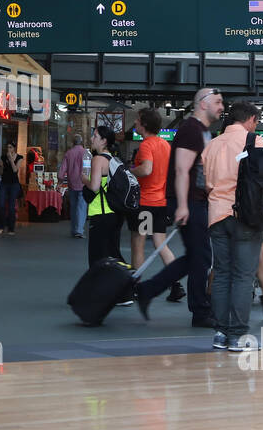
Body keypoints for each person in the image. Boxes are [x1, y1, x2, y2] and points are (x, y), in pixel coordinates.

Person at [132, 87, 225, 327]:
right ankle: (200, 312)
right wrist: (183, 205)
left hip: (194, 200)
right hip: (187, 201)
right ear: (203, 103)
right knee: (201, 256)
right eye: (217, 102)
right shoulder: (191, 129)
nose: (221, 106)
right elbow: (182, 169)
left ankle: (148, 291)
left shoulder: (203, 131)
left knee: (196, 257)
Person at [197, 102, 263, 347]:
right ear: (252, 119)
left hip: (216, 217)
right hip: (246, 217)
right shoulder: (254, 141)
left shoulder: (211, 145)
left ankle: (221, 333)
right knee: (244, 276)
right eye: (256, 121)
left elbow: (205, 184)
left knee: (222, 274)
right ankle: (237, 335)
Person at [129, 108, 184, 303]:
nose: (135, 123)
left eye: (137, 120)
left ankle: (135, 286)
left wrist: (128, 172)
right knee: (161, 244)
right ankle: (176, 284)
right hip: (161, 202)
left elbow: (146, 169)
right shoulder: (165, 145)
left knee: (138, 243)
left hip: (146, 203)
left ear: (144, 123)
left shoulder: (146, 145)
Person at [85, 125, 125, 268]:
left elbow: (95, 187)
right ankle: (126, 283)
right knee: (113, 254)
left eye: (95, 136)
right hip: (115, 213)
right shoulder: (114, 159)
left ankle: (99, 288)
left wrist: (83, 178)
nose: (91, 138)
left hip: (100, 213)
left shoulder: (98, 159)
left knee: (97, 257)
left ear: (103, 141)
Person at [58, 134, 87, 238]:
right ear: (81, 142)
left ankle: (74, 229)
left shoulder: (68, 153)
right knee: (82, 207)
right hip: (83, 183)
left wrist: (60, 181)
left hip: (71, 183)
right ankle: (79, 230)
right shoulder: (86, 153)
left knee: (73, 206)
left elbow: (62, 169)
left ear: (72, 142)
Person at [0, 142, 22, 236]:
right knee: (1, 205)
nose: (8, 149)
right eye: (7, 147)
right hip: (4, 183)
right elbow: (0, 172)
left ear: (14, 148)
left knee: (11, 207)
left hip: (14, 184)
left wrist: (11, 159)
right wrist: (0, 166)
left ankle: (11, 228)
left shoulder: (19, 157)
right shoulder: (3, 157)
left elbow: (15, 170)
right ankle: (1, 227)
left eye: (10, 147)